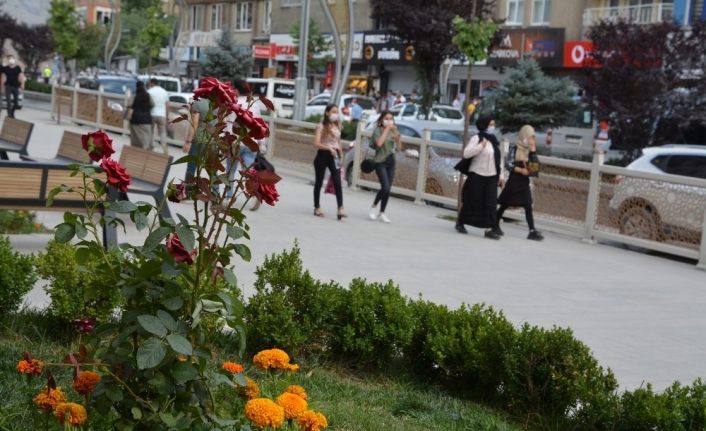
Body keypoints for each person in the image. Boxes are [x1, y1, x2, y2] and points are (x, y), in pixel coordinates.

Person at [455, 116, 504, 239]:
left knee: (491, 203)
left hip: (492, 175)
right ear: (485, 125)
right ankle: (460, 222)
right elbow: (466, 153)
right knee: (472, 200)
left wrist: (501, 175)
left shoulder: (493, 140)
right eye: (491, 124)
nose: (493, 127)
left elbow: (498, 159)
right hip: (477, 174)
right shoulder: (476, 138)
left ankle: (489, 229)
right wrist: (480, 146)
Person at [495, 125, 544, 241]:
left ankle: (532, 230)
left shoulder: (531, 150)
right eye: (529, 137)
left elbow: (535, 167)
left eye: (533, 137)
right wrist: (520, 170)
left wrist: (533, 150)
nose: (531, 139)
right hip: (515, 179)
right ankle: (495, 223)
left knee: (527, 205)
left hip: (524, 181)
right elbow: (508, 163)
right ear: (524, 136)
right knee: (506, 203)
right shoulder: (515, 148)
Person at [312, 104, 345, 220]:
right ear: (327, 113)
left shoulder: (338, 126)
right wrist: (328, 148)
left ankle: (340, 208)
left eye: (337, 112)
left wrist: (341, 153)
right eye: (333, 112)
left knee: (337, 181)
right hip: (323, 155)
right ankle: (317, 207)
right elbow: (316, 143)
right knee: (319, 182)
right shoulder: (321, 126)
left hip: (334, 156)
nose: (336, 114)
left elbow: (338, 142)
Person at [368, 110, 401, 223]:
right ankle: (373, 206)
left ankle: (382, 212)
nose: (389, 121)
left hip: (391, 161)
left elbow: (398, 149)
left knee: (388, 190)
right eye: (386, 118)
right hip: (380, 161)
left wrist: (398, 140)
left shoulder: (394, 131)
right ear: (381, 120)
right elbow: (379, 144)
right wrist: (387, 129)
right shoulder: (378, 130)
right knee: (385, 187)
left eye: (391, 118)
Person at [184, 91, 210, 180]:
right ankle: (215, 193)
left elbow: (194, 124)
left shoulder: (198, 103)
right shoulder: (218, 104)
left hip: (199, 140)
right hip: (212, 141)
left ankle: (188, 192)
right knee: (212, 172)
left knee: (191, 168)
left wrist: (188, 141)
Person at [127, 81, 153, 150]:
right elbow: (153, 104)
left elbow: (129, 105)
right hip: (147, 119)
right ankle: (145, 149)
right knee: (147, 136)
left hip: (135, 119)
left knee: (135, 138)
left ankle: (136, 151)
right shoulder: (148, 95)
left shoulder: (134, 95)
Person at [147, 78, 169, 154]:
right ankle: (164, 147)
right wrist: (167, 115)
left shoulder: (149, 91)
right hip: (162, 114)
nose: (149, 85)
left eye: (149, 83)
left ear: (152, 83)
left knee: (151, 131)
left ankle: (151, 146)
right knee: (162, 132)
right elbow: (167, 104)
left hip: (152, 114)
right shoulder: (164, 92)